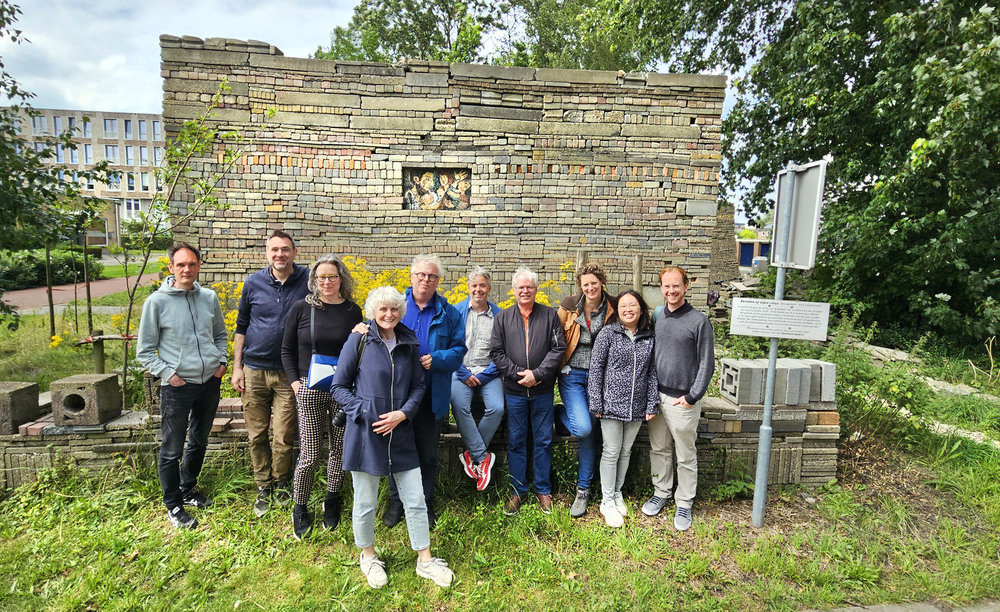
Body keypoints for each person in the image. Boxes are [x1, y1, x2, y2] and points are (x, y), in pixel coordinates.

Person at [332, 286, 455, 589]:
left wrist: (404, 414)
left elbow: (418, 386)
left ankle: (425, 561)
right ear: (373, 311)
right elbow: (339, 387)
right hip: (366, 435)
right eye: (382, 309)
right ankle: (368, 557)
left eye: (394, 309)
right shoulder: (358, 340)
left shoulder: (409, 343)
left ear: (401, 311)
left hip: (401, 434)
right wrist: (364, 411)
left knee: (415, 500)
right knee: (365, 502)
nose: (389, 314)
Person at [137, 243, 227, 530]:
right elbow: (144, 350)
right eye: (180, 265)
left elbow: (220, 335)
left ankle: (188, 489)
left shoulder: (209, 297)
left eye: (192, 264)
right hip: (177, 386)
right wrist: (169, 374)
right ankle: (173, 504)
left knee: (199, 440)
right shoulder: (156, 302)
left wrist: (221, 362)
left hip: (209, 382)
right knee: (171, 448)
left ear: (199, 265)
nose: (186, 269)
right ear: (171, 267)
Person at [380, 254, 465, 530]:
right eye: (420, 275)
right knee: (397, 451)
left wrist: (438, 358)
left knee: (427, 454)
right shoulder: (396, 305)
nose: (425, 280)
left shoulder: (449, 313)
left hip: (430, 394)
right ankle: (397, 502)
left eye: (431, 276)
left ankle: (425, 502)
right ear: (411, 276)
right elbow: (375, 331)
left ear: (438, 281)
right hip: (396, 395)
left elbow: (459, 350)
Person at [281, 255, 363, 539]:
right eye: (321, 278)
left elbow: (358, 351)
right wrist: (294, 383)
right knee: (310, 453)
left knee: (339, 450)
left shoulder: (353, 311)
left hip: (341, 389)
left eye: (332, 277)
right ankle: (300, 506)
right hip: (309, 388)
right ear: (314, 281)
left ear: (342, 278)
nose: (326, 282)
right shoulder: (302, 308)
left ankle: (332, 498)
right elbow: (286, 349)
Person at [231, 230, 310, 518]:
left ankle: (281, 483)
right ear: (267, 252)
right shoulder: (253, 283)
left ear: (294, 252)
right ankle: (263, 486)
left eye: (285, 249)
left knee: (284, 434)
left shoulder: (308, 281)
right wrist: (237, 367)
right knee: (256, 435)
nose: (280, 254)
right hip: (253, 370)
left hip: (289, 373)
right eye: (275, 249)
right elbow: (241, 327)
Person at [643, 266, 715, 531]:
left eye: (676, 286)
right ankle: (661, 491)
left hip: (682, 400)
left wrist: (693, 396)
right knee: (659, 449)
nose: (671, 291)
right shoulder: (658, 316)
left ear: (686, 287)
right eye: (666, 286)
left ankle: (684, 501)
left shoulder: (699, 321)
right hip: (657, 395)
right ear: (661, 288)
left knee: (685, 454)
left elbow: (707, 363)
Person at [489, 267, 565, 515]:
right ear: (514, 290)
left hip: (542, 391)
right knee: (516, 441)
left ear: (536, 289)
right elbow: (497, 353)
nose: (525, 291)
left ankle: (543, 490)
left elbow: (558, 349)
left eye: (529, 287)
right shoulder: (503, 318)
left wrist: (538, 375)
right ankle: (518, 490)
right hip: (514, 391)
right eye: (520, 287)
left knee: (543, 441)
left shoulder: (550, 316)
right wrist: (518, 374)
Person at [587, 290, 659, 528]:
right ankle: (606, 501)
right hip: (610, 404)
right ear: (617, 310)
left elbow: (651, 373)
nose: (628, 309)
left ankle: (617, 493)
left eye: (633, 305)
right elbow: (596, 369)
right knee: (611, 451)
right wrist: (596, 401)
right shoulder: (608, 333)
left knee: (626, 451)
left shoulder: (649, 336)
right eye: (623, 306)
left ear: (641, 308)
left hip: (636, 406)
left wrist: (651, 403)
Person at [556, 262, 616, 519]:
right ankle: (558, 414)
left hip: (601, 378)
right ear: (580, 286)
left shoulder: (613, 307)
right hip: (573, 376)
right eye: (585, 284)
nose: (590, 287)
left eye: (594, 282)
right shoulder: (569, 306)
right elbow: (556, 338)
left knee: (591, 430)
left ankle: (583, 489)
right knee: (583, 428)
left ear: (601, 282)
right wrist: (560, 366)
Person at [451, 266, 503, 491]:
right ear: (468, 287)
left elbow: (505, 350)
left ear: (489, 288)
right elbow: (449, 346)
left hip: (489, 372)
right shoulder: (455, 312)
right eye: (474, 285)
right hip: (460, 371)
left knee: (498, 407)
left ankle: (471, 455)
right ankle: (482, 458)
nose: (478, 289)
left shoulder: (500, 315)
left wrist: (486, 374)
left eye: (482, 285)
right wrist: (463, 373)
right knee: (459, 405)